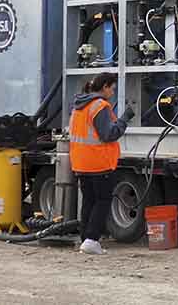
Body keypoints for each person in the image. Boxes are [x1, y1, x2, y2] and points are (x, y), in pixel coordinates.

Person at [70, 73, 133, 255]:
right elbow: (108, 134)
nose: (112, 93)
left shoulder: (79, 106)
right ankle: (91, 239)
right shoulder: (99, 106)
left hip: (81, 162)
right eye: (112, 88)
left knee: (89, 201)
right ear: (104, 86)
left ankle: (86, 239)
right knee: (102, 201)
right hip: (98, 162)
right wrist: (124, 120)